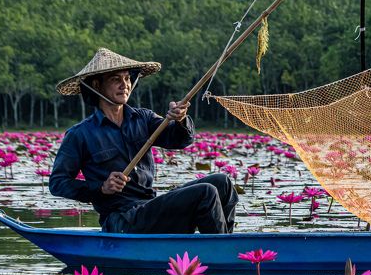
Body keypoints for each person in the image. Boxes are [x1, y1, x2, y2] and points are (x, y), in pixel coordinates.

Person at [49, 47, 237, 234]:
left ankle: (226, 246)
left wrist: (180, 119)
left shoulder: (143, 118)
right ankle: (220, 254)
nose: (125, 85)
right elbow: (58, 183)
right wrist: (101, 187)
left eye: (127, 78)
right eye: (116, 80)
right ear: (97, 85)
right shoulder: (80, 134)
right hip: (121, 219)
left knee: (222, 182)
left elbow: (180, 140)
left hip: (149, 208)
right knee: (206, 192)